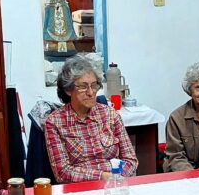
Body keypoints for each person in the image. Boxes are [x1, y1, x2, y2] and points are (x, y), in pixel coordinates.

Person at [44, 55, 138, 183]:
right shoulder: (55, 122)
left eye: (94, 86)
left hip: (116, 184)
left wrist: (116, 178)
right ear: (68, 90)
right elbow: (63, 173)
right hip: (80, 190)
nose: (91, 92)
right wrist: (102, 176)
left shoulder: (110, 114)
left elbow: (131, 160)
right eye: (83, 86)